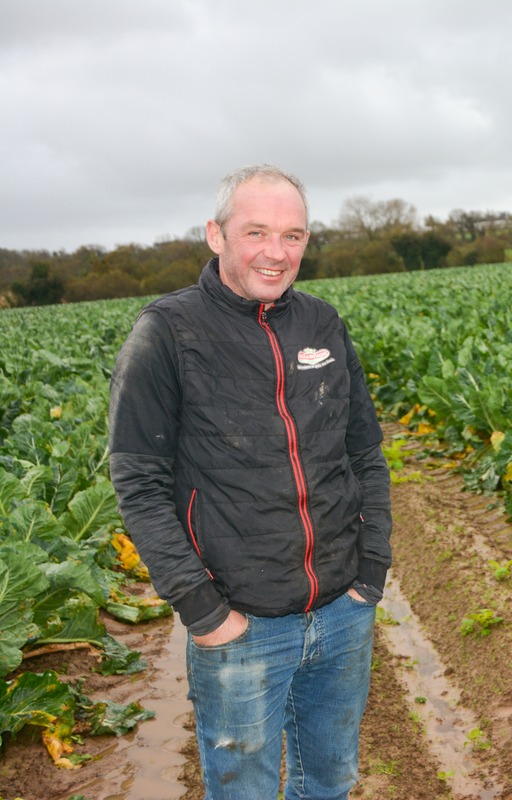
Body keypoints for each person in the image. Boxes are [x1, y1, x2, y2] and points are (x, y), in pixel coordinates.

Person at [108, 164, 392, 799]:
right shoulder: (168, 333)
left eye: (293, 235)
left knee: (330, 781)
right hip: (240, 621)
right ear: (216, 235)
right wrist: (202, 609)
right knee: (245, 791)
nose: (276, 251)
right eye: (257, 231)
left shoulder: (322, 322)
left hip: (341, 609)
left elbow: (365, 452)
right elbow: (138, 480)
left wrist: (372, 569)